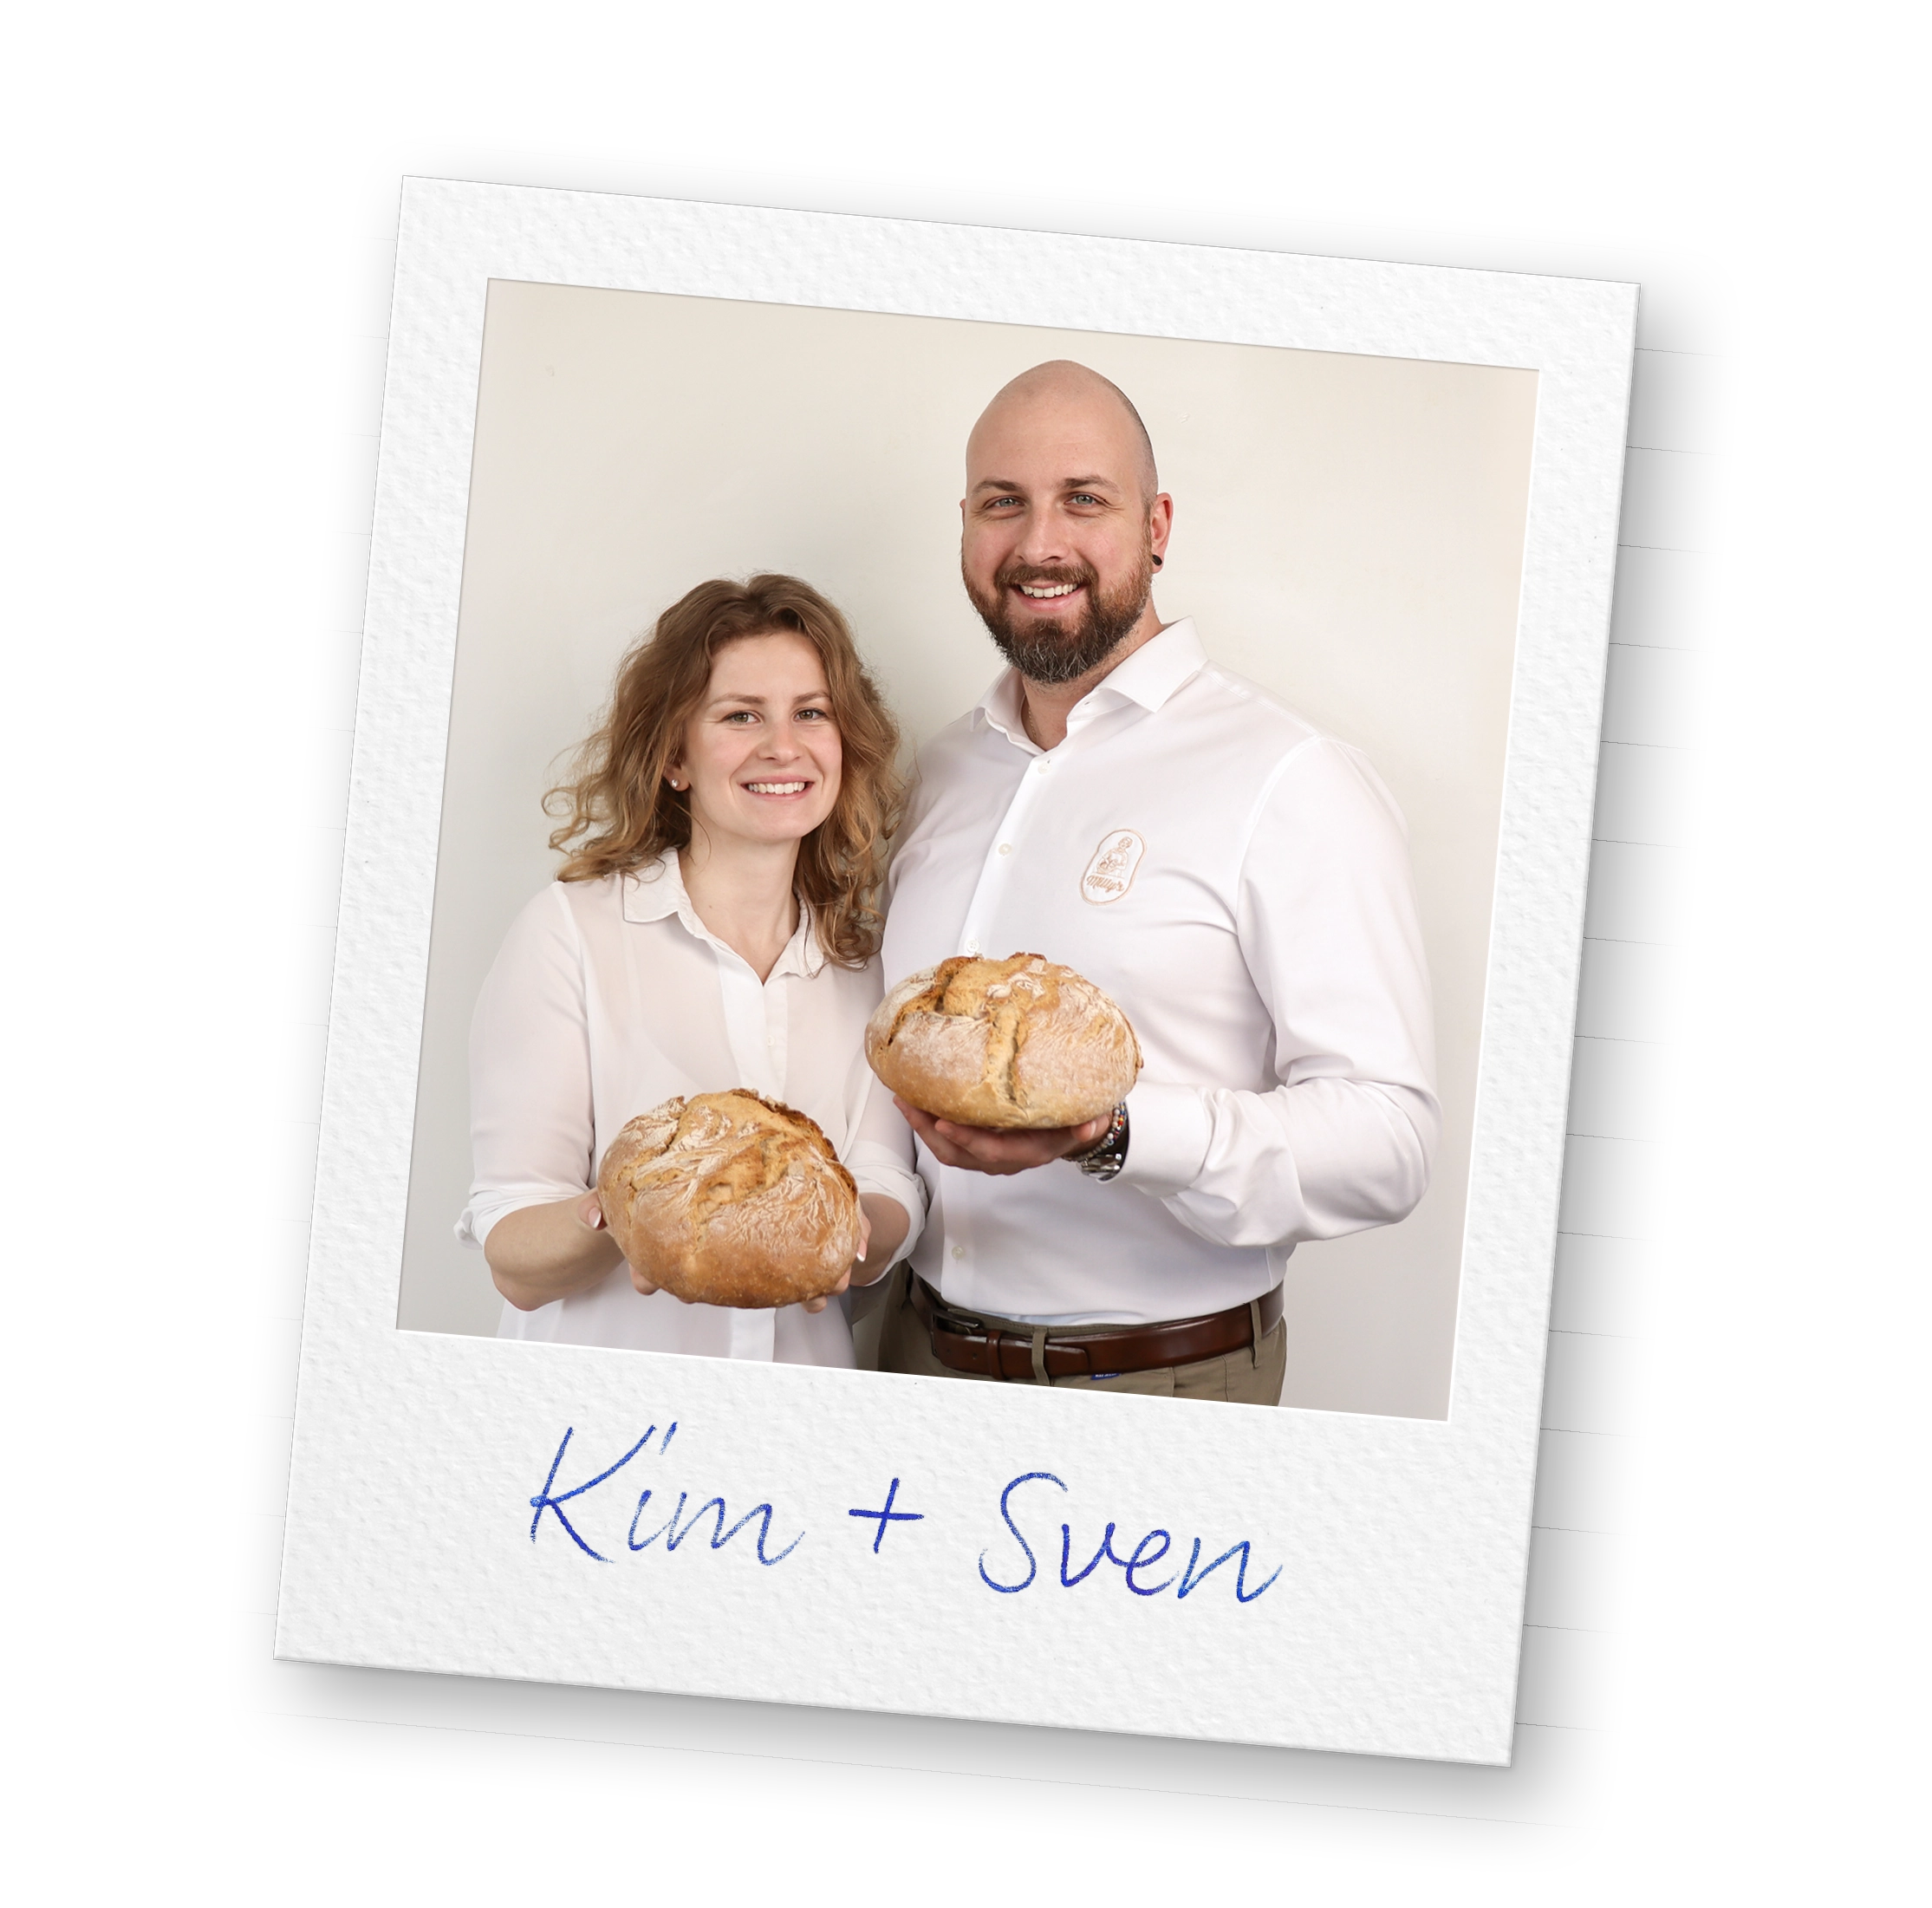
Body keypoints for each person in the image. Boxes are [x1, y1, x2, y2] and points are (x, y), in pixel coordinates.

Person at [875, 361, 1441, 1403]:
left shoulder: (1289, 777)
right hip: (913, 1357)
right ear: (964, 527)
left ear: (1157, 526)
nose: (1040, 543)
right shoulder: (940, 773)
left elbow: (1388, 1142)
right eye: (1003, 502)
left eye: (1084, 499)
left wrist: (1117, 1133)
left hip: (1162, 1385)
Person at [456, 575, 925, 1364]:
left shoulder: (863, 962)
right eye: (742, 715)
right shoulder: (571, 932)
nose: (784, 747)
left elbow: (886, 1183)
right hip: (604, 1414)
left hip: (798, 1409)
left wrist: (847, 1231)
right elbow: (513, 1250)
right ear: (675, 755)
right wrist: (632, 1215)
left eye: (812, 713)